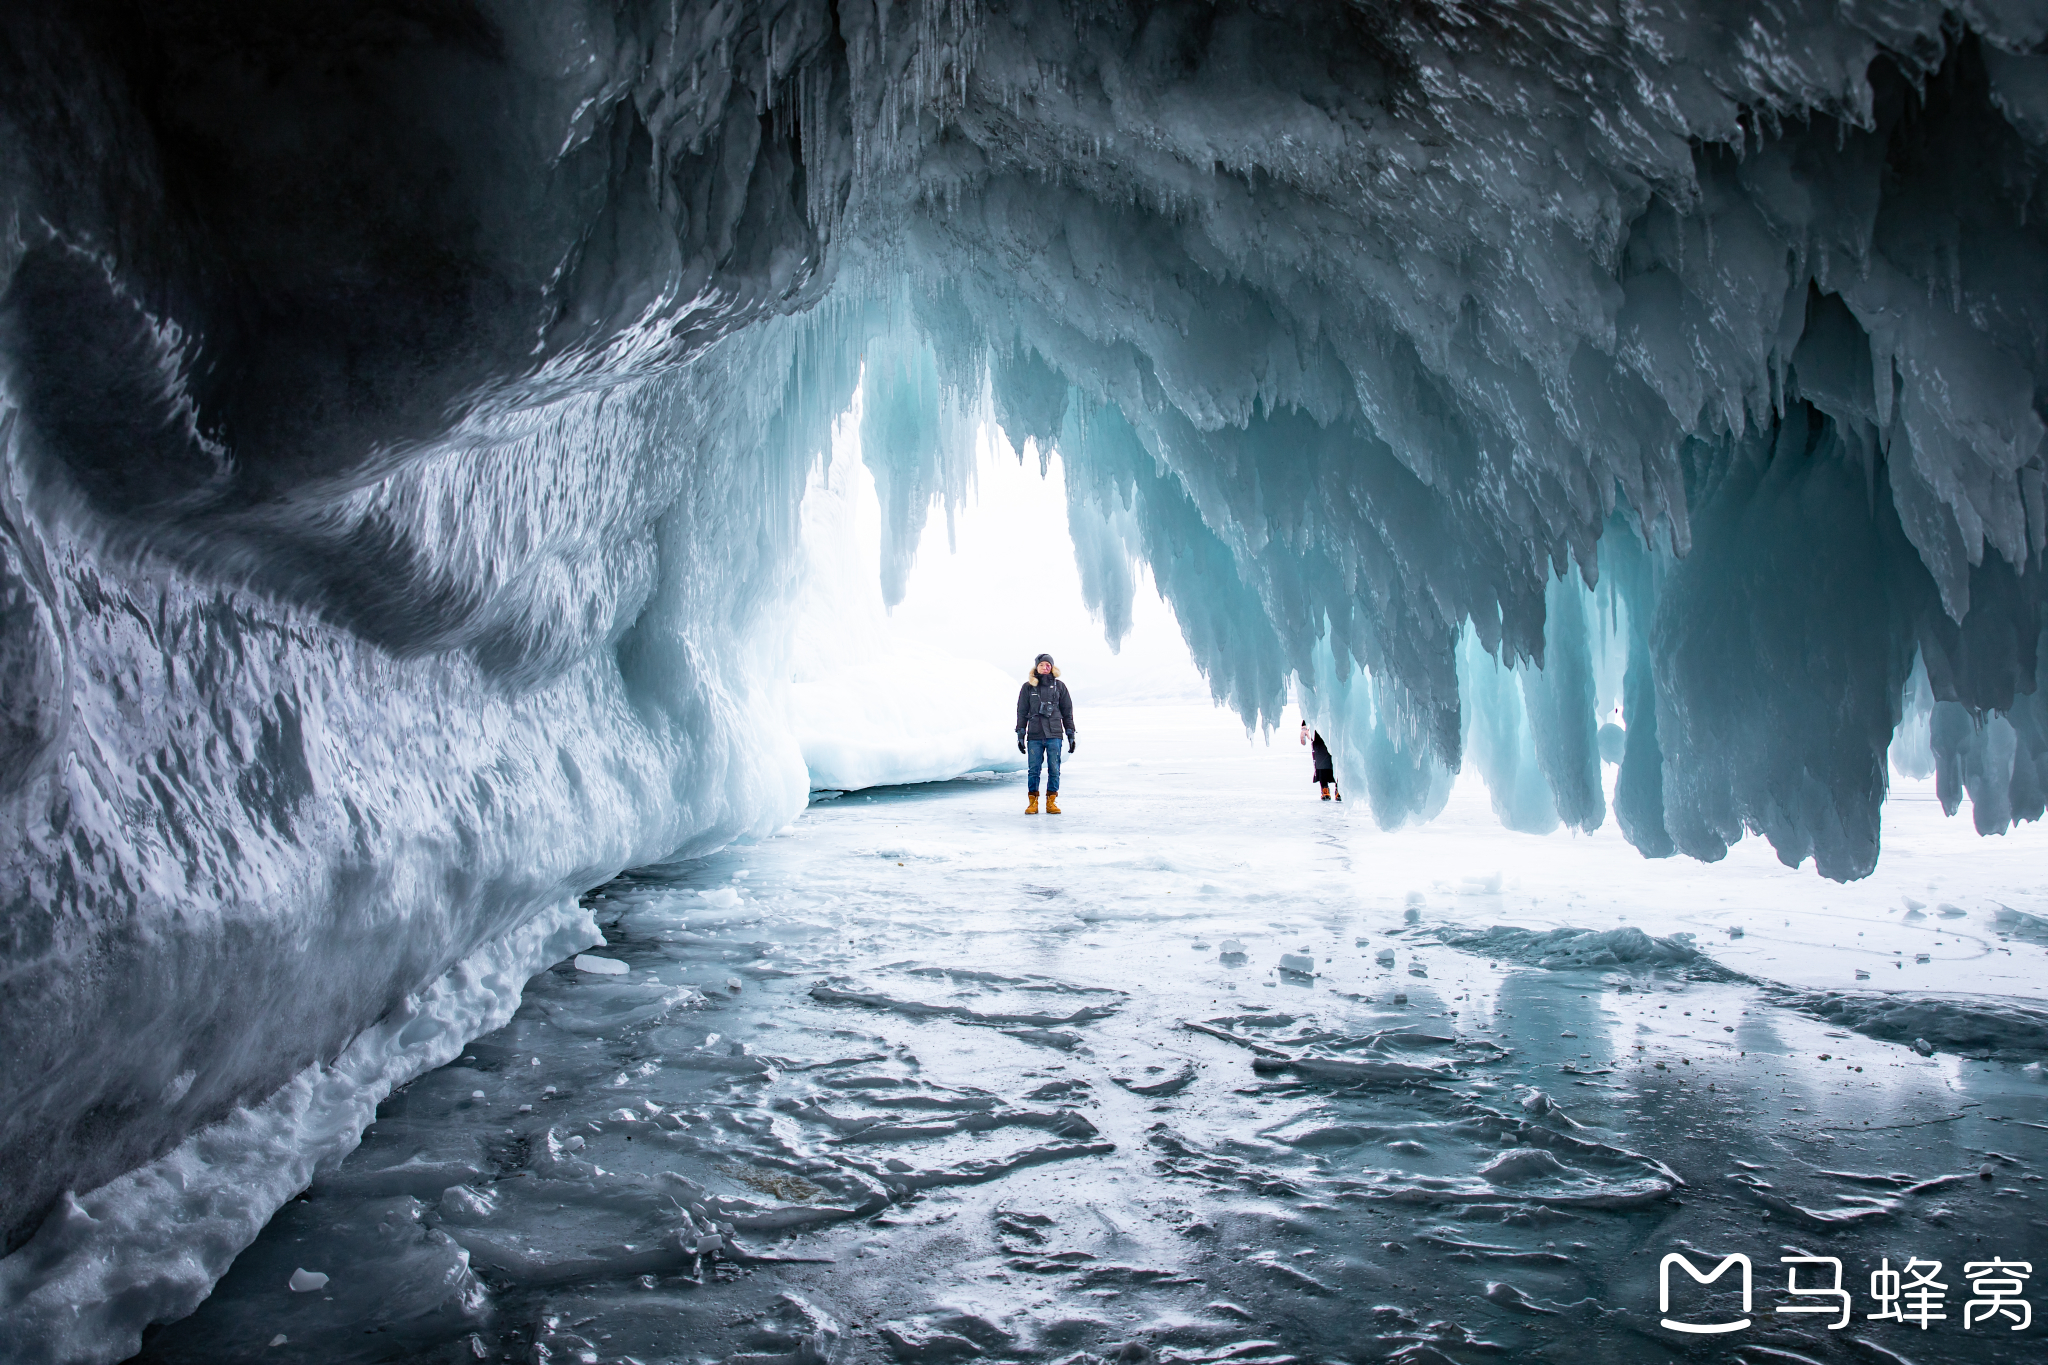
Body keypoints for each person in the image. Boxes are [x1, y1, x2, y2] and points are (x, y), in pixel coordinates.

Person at [1016, 653, 1076, 813]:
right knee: (1034, 770)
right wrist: (1020, 734)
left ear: (1052, 667)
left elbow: (1067, 711)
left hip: (1054, 734)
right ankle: (1033, 803)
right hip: (1035, 734)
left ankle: (1051, 802)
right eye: (1042, 665)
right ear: (1037, 667)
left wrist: (1070, 733)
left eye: (1048, 665)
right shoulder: (1028, 687)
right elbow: (1022, 712)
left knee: (1054, 768)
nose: (1045, 667)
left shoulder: (1060, 686)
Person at [1300, 719, 1341, 801]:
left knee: (1338, 761)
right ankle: (1324, 788)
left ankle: (1340, 788)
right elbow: (1311, 708)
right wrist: (1304, 727)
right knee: (1321, 761)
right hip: (1319, 733)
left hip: (1336, 730)